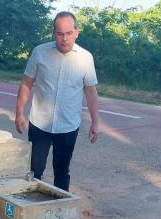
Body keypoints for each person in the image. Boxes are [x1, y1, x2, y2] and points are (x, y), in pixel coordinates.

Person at [15, 11, 100, 192]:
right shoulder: (40, 52)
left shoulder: (86, 58)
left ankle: (59, 213)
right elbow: (26, 83)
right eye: (60, 33)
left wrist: (95, 122)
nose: (64, 39)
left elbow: (91, 92)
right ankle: (30, 211)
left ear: (76, 32)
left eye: (69, 33)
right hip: (39, 124)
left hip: (68, 126)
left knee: (62, 172)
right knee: (34, 170)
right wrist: (19, 112)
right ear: (54, 33)